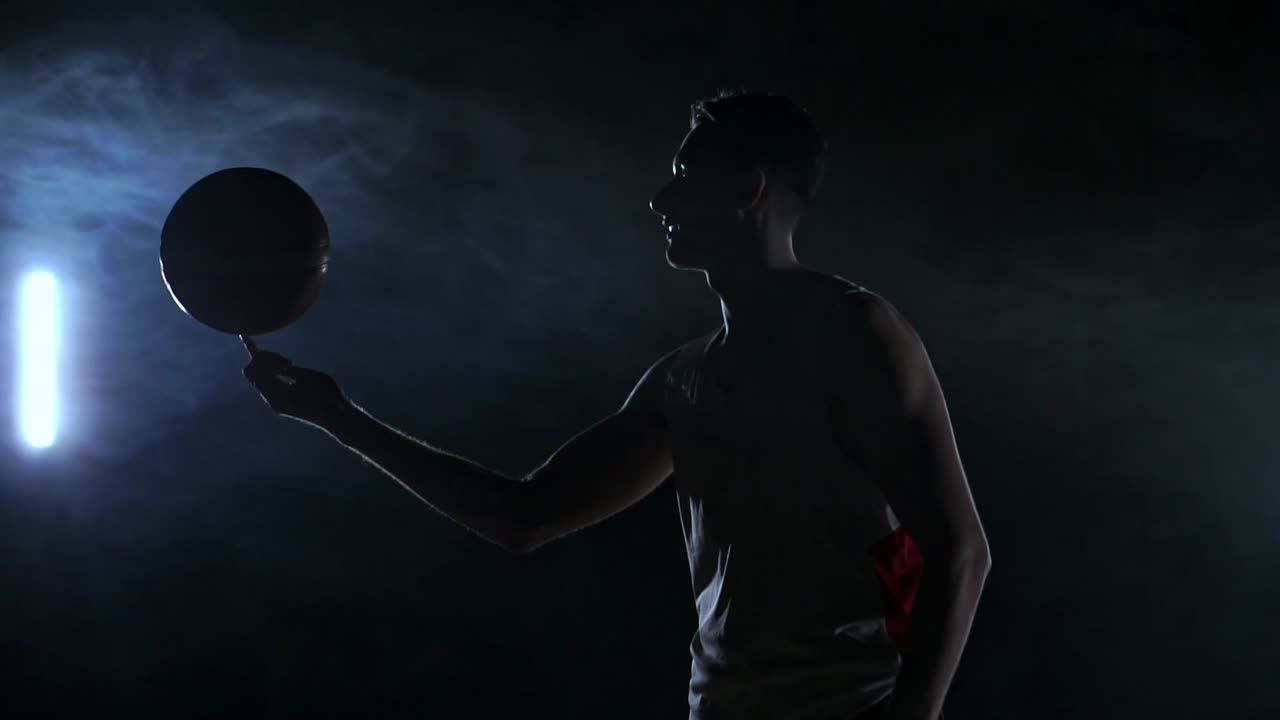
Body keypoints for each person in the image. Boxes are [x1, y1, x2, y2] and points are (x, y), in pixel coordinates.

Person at [241, 89, 990, 720]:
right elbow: (526, 517)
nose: (660, 199)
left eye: (685, 175)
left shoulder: (852, 333)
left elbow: (959, 551)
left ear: (748, 189)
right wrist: (338, 418)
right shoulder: (683, 379)